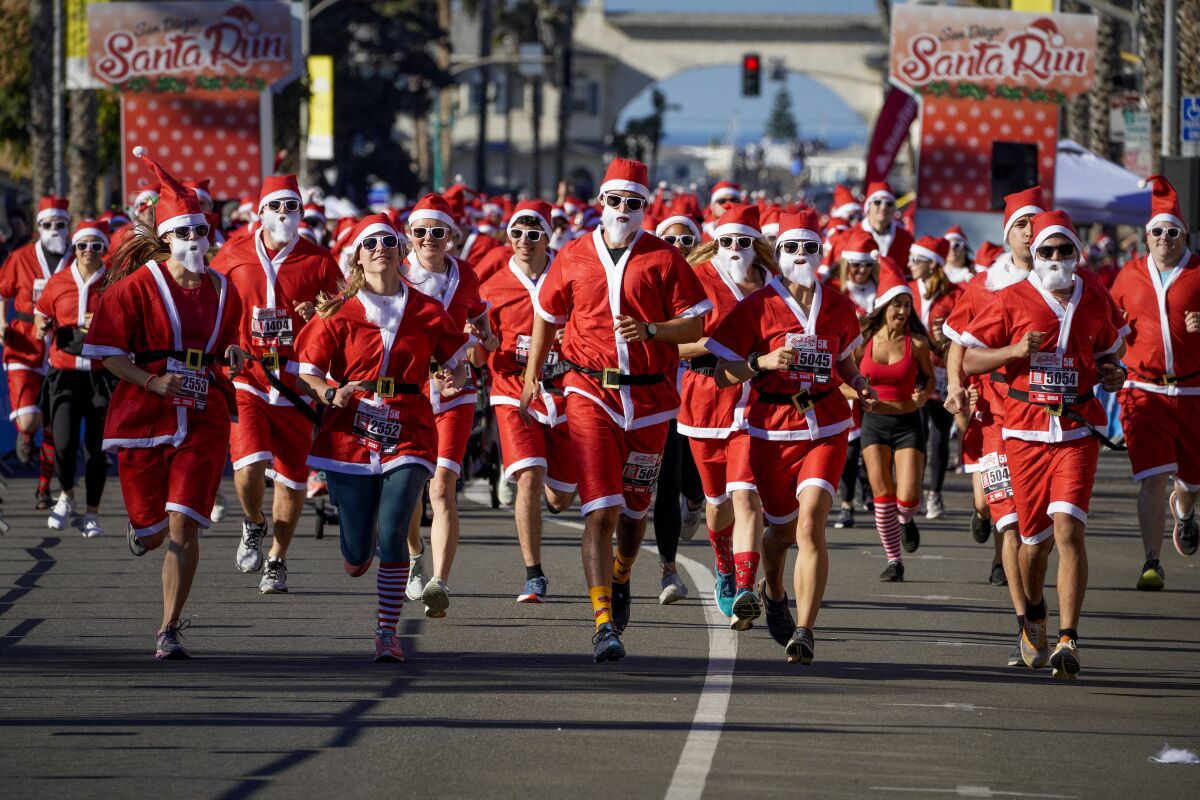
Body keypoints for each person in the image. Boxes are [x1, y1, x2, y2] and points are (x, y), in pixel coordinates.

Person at [522, 157, 712, 663]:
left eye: (634, 203)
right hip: (590, 393)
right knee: (600, 510)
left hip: (649, 402)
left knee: (634, 514)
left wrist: (652, 331)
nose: (623, 210)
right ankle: (603, 622)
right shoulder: (574, 254)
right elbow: (546, 315)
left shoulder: (665, 258)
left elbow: (695, 327)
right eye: (615, 200)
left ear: (645, 208)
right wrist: (529, 376)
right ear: (600, 203)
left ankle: (623, 577)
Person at [82, 147, 247, 659]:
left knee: (185, 521)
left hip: (203, 413)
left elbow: (225, 349)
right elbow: (107, 353)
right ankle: (141, 529)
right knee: (154, 531)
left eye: (200, 232)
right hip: (145, 415)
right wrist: (151, 384)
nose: (193, 241)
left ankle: (168, 628)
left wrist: (232, 357)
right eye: (182, 234)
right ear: (164, 238)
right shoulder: (131, 290)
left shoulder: (226, 290)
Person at [290, 214, 470, 662]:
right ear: (357, 256)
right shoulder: (338, 311)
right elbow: (307, 372)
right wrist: (329, 391)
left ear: (400, 249)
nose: (380, 249)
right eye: (370, 243)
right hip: (350, 432)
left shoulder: (428, 310)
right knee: (357, 553)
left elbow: (457, 362)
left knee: (393, 533)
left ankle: (386, 633)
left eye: (388, 241)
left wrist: (453, 377)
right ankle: (356, 550)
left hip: (410, 428)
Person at [706, 208, 877, 664]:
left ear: (822, 253)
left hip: (826, 425)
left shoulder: (839, 306)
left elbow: (845, 362)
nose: (801, 256)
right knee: (780, 532)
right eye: (792, 248)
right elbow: (722, 374)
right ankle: (774, 590)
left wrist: (859, 384)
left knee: (811, 524)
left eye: (810, 247)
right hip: (769, 429)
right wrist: (762, 363)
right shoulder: (756, 306)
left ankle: (804, 629)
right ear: (778, 253)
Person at [962, 210, 1126, 680]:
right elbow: (971, 358)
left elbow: (1110, 359)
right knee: (1032, 544)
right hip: (1024, 434)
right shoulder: (1011, 298)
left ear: (1078, 254)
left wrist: (1116, 375)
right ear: (1033, 256)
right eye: (1047, 251)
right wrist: (1014, 352)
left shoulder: (1094, 298)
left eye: (1064, 250)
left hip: (1076, 431)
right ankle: (1034, 611)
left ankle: (1070, 637)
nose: (1056, 258)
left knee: (1069, 530)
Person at [216, 174, 342, 594]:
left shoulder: (320, 260)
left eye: (291, 207)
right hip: (248, 374)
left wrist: (320, 314)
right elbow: (208, 299)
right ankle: (253, 521)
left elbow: (345, 317)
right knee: (249, 462)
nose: (283, 214)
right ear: (260, 212)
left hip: (297, 381)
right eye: (276, 207)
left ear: (302, 212)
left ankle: (277, 559)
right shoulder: (233, 252)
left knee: (292, 479)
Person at [942, 187, 1043, 664]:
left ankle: (1039, 611)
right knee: (1010, 525)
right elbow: (957, 345)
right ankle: (1025, 621)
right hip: (996, 418)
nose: (1029, 232)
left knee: (1042, 530)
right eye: (1021, 224)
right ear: (1008, 234)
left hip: (1048, 421)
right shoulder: (985, 284)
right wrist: (956, 386)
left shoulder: (1063, 281)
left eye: (1035, 223)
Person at [477, 200, 577, 603]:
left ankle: (528, 476)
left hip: (564, 392)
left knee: (560, 497)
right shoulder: (493, 287)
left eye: (533, 233)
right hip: (512, 390)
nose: (523, 241)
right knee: (531, 476)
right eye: (516, 233)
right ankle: (534, 575)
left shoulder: (570, 276)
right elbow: (476, 356)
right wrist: (480, 340)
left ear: (548, 235)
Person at [400, 193, 494, 618]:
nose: (428, 239)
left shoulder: (467, 276)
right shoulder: (397, 276)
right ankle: (415, 556)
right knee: (409, 492)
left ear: (451, 237)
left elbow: (483, 330)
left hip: (458, 394)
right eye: (420, 232)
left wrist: (481, 343)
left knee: (441, 488)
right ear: (408, 236)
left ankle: (440, 581)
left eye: (437, 232)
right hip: (411, 394)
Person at [679, 203, 772, 628]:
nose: (736, 248)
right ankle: (724, 565)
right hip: (705, 397)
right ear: (717, 242)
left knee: (747, 497)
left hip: (757, 401)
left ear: (757, 245)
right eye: (728, 240)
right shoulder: (695, 281)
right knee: (718, 504)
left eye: (745, 241)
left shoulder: (774, 286)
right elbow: (672, 347)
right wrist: (716, 343)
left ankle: (748, 588)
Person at [1110, 175, 1200, 590]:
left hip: (1192, 391)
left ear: (1184, 236)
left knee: (1192, 481)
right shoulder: (1128, 276)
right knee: (1152, 476)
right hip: (1143, 391)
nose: (1165, 238)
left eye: (1172, 231)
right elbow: (1104, 325)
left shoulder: (1198, 272)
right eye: (1157, 231)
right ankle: (1152, 561)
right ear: (1146, 237)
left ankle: (1185, 511)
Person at [34, 219, 116, 536]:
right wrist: (42, 326)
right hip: (64, 374)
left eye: (96, 246)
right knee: (65, 443)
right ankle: (66, 494)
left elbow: (128, 321)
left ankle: (92, 514)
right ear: (75, 248)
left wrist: (103, 320)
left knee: (95, 450)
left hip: (99, 376)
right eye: (82, 245)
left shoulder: (112, 282)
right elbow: (42, 310)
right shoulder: (58, 282)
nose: (88, 252)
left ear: (104, 249)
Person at [855, 258, 935, 582]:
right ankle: (893, 560)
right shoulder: (863, 339)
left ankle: (906, 519)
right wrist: (856, 394)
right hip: (874, 424)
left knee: (908, 498)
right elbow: (843, 377)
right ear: (883, 305)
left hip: (908, 422)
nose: (902, 312)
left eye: (907, 306)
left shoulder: (917, 342)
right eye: (897, 305)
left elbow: (929, 379)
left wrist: (924, 394)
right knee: (882, 495)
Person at [653, 203, 708, 602]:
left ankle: (696, 499)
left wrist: (664, 338)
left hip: (704, 397)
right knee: (665, 483)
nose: (677, 246)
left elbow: (713, 339)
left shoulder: (708, 282)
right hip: (660, 398)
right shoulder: (649, 280)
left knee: (693, 480)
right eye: (669, 239)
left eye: (685, 240)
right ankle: (669, 571)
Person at [0, 196, 68, 507]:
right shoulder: (21, 257)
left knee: (54, 421)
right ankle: (26, 435)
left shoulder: (78, 257)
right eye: (48, 224)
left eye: (60, 224)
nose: (54, 229)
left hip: (61, 342)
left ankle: (44, 488)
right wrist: (1, 323)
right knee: (29, 420)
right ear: (38, 227)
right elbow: (3, 292)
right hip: (24, 339)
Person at [907, 235, 960, 521]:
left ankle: (935, 494)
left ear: (932, 264)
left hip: (940, 370)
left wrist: (942, 341)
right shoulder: (907, 289)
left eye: (916, 259)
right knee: (915, 432)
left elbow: (963, 339)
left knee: (939, 433)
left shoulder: (954, 294)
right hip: (910, 371)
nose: (910, 264)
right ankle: (910, 492)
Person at [824, 181, 913, 275]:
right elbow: (833, 272)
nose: (883, 207)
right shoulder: (848, 236)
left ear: (894, 209)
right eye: (877, 202)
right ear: (868, 207)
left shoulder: (905, 238)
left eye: (889, 203)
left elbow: (910, 275)